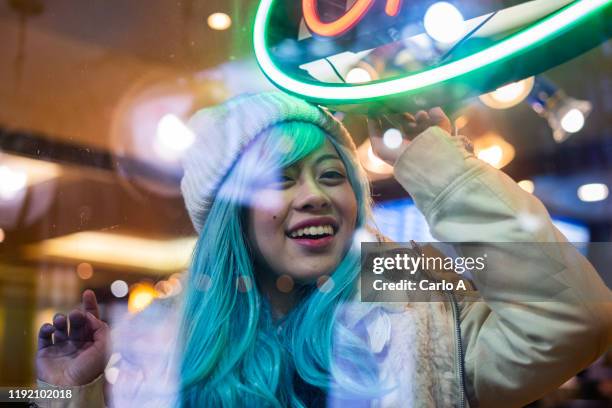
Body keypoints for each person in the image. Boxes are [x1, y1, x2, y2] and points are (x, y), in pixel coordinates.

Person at [34, 92, 612, 407]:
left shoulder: (410, 294)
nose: (315, 196)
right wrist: (71, 394)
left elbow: (570, 318)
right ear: (232, 218)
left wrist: (436, 163)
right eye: (281, 179)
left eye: (333, 175)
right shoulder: (162, 348)